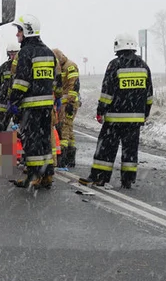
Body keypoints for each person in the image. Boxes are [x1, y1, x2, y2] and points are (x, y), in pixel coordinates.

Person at [82, 32, 153, 189]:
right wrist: (145, 113)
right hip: (135, 119)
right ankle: (128, 179)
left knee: (106, 148)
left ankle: (100, 177)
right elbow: (149, 95)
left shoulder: (114, 65)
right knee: (130, 150)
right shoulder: (143, 66)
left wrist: (101, 110)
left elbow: (107, 93)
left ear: (117, 47)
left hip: (115, 118)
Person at [7, 13, 59, 189]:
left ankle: (34, 176)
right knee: (45, 140)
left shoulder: (26, 53)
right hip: (46, 106)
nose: (17, 34)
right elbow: (55, 80)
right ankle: (47, 175)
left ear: (27, 31)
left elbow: (22, 81)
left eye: (19, 30)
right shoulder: (48, 52)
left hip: (30, 106)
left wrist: (13, 101)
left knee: (31, 141)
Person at [53, 48, 81, 167]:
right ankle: (70, 156)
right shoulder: (60, 67)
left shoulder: (70, 66)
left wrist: (70, 103)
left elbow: (74, 86)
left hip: (69, 103)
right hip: (63, 103)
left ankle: (63, 157)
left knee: (64, 127)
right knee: (68, 127)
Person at [0, 38, 20, 131]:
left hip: (16, 100)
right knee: (0, 125)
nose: (12, 56)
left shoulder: (22, 66)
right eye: (11, 54)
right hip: (3, 100)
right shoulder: (4, 67)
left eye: (14, 54)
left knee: (17, 127)